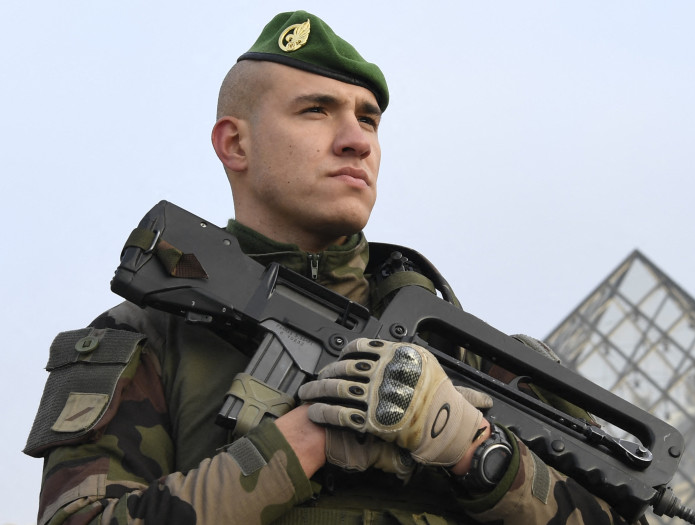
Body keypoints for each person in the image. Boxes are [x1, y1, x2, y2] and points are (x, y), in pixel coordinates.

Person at [25, 11, 640, 525]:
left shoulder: (470, 356)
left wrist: (474, 450)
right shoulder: (143, 341)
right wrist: (306, 441)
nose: (357, 140)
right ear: (234, 144)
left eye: (368, 118)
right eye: (316, 110)